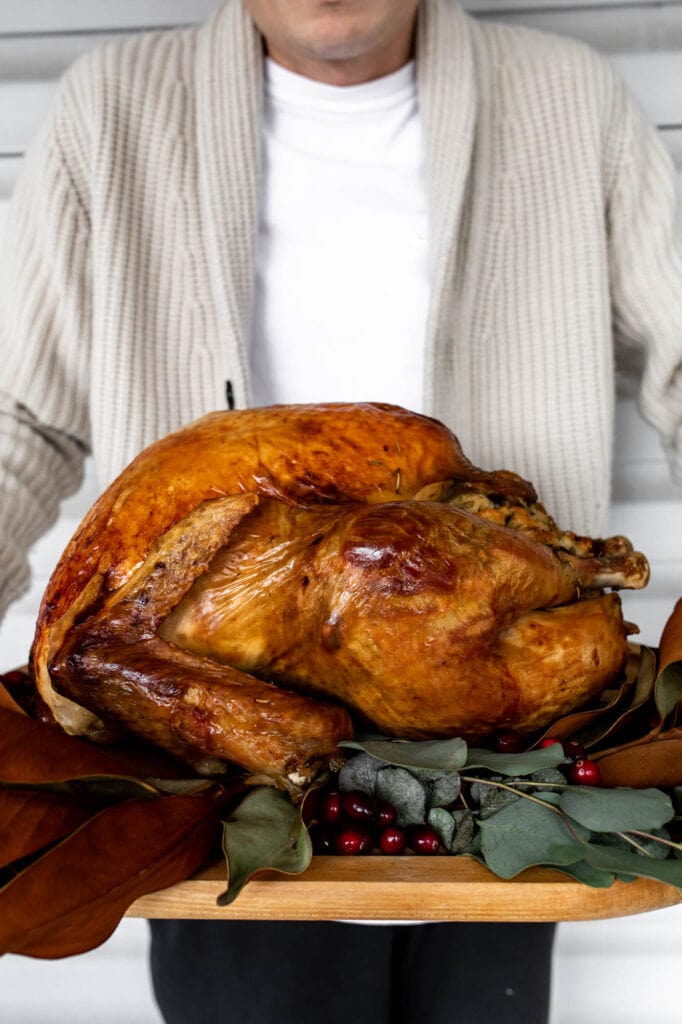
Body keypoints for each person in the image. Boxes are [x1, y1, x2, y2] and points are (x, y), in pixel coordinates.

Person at [0, 1, 680, 1022]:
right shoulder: (114, 112)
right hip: (216, 780)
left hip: (508, 762)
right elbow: (22, 420)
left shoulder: (566, 99)